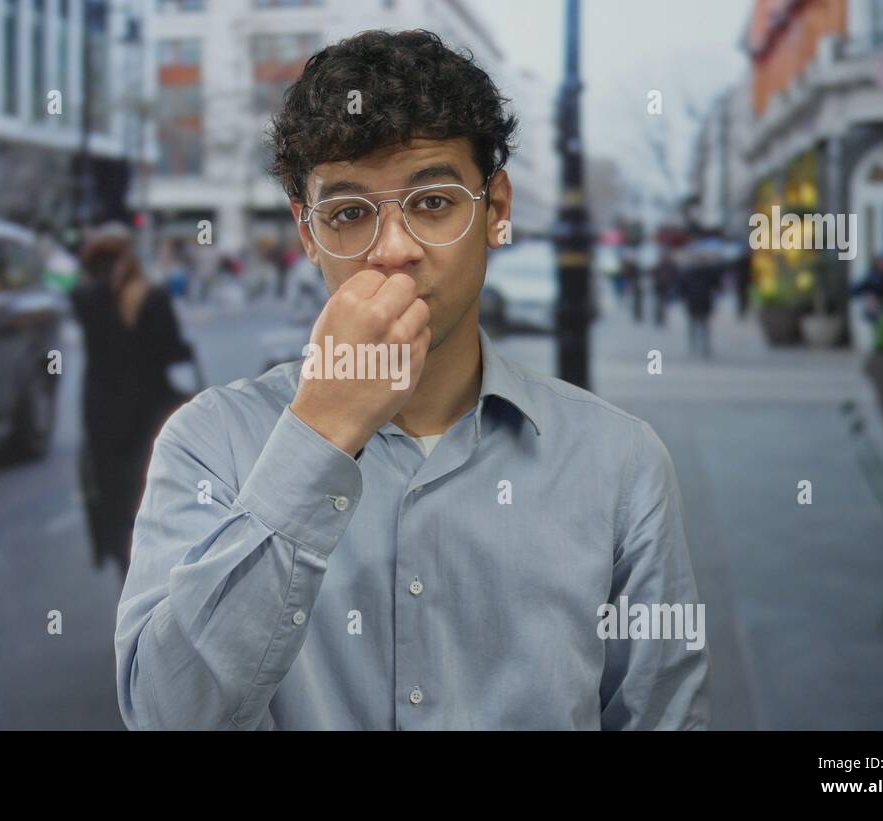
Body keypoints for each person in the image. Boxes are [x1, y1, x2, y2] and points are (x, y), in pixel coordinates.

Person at [115, 30, 709, 730]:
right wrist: (319, 434)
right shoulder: (209, 442)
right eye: (348, 214)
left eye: (432, 203)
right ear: (307, 234)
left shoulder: (621, 462)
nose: (394, 251)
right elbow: (165, 715)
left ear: (497, 209)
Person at [71, 224, 191, 581]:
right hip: (148, 411)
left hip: (103, 412)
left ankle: (126, 576)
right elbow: (170, 350)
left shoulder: (83, 298)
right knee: (151, 497)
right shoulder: (150, 297)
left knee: (114, 498)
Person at [677, 261, 719, 358]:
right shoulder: (709, 274)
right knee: (704, 325)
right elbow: (715, 286)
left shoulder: (687, 274)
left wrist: (683, 297)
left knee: (693, 324)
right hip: (705, 302)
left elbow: (682, 288)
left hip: (692, 302)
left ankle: (693, 344)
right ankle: (705, 345)